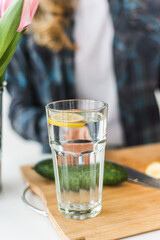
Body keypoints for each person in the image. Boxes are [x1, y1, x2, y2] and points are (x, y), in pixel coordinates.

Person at [6, 0, 160, 153]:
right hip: (67, 161)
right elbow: (19, 111)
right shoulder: (28, 15)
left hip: (143, 155)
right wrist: (62, 129)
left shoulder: (145, 8)